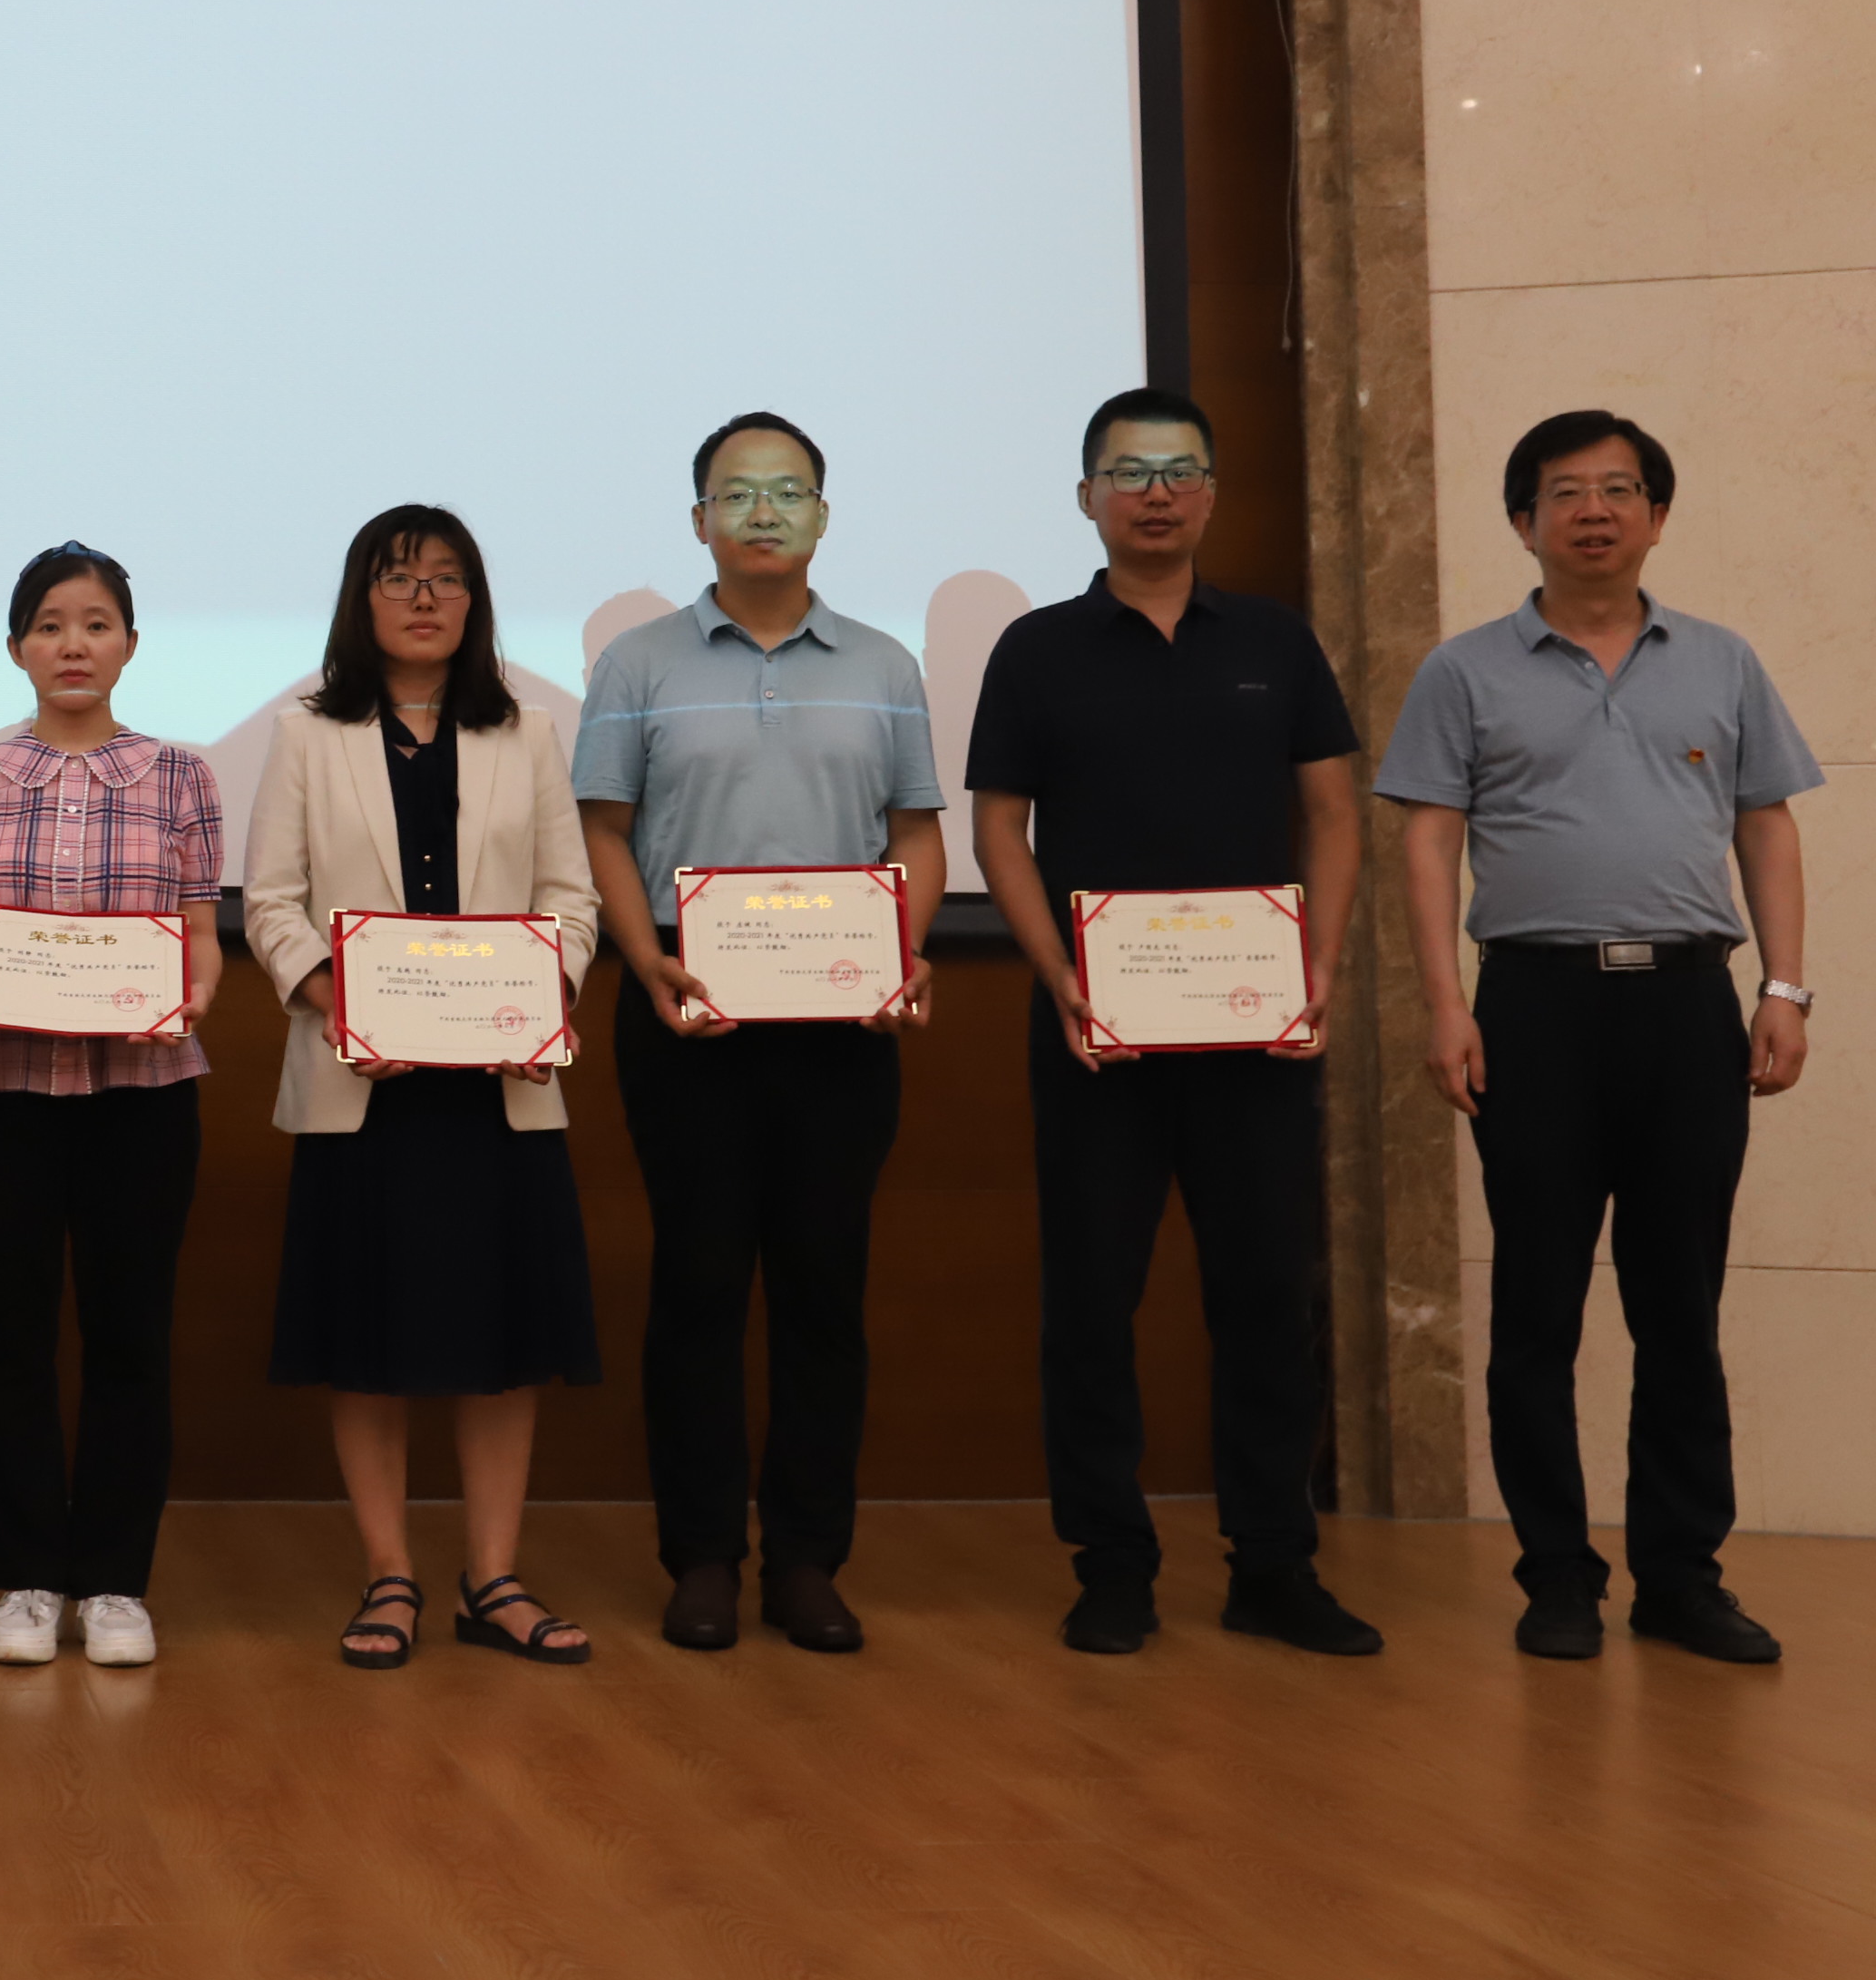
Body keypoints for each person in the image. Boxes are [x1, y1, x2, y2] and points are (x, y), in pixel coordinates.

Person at [1377, 412, 1818, 1666]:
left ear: (1656, 517)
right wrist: (1445, 1002)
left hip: (1686, 1007)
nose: (1593, 511)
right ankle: (1556, 1575)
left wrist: (1786, 988)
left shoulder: (1721, 661)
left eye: (1620, 490)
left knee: (1680, 1305)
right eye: (1564, 491)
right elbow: (1428, 839)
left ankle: (1679, 1576)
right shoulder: (1463, 671)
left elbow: (1766, 825)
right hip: (1534, 1008)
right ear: (1522, 521)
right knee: (1537, 1307)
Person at [964, 385, 1378, 1659]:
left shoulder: (1274, 640)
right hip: (1096, 1033)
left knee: (1265, 1295)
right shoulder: (1036, 649)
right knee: (1092, 1302)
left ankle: (1273, 1563)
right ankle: (1111, 1562)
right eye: (1129, 471)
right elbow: (999, 830)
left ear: (1209, 491)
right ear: (1086, 496)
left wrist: (1318, 962)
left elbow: (1332, 812)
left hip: (1254, 1030)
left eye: (1179, 469)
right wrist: (1056, 974)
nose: (1155, 492)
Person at [574, 412, 943, 1655]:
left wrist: (901, 954)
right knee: (697, 1285)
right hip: (688, 1009)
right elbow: (604, 829)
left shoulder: (884, 663)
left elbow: (917, 833)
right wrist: (644, 959)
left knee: (823, 1291)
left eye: (789, 492)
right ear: (700, 522)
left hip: (842, 1020)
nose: (765, 512)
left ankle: (806, 1559)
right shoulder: (637, 663)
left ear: (823, 517)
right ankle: (700, 1558)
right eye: (738, 493)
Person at [245, 505, 605, 1669]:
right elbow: (270, 903)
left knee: (502, 1339)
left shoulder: (526, 732)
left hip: (498, 1084)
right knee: (367, 1338)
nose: (423, 598)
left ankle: (491, 1576)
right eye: (398, 578)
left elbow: (570, 897)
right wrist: (335, 1000)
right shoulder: (306, 733)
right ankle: (388, 1572)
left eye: (447, 579)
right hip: (363, 1084)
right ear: (362, 599)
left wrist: (538, 996)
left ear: (473, 602)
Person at [0, 544, 225, 1667]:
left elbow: (201, 937)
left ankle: (115, 1581)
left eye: (95, 623)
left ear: (129, 644)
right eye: (49, 624)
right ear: (15, 648)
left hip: (143, 1095)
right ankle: (28, 1578)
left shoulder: (182, 777)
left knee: (130, 1338)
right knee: (9, 1340)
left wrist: (189, 995)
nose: (73, 644)